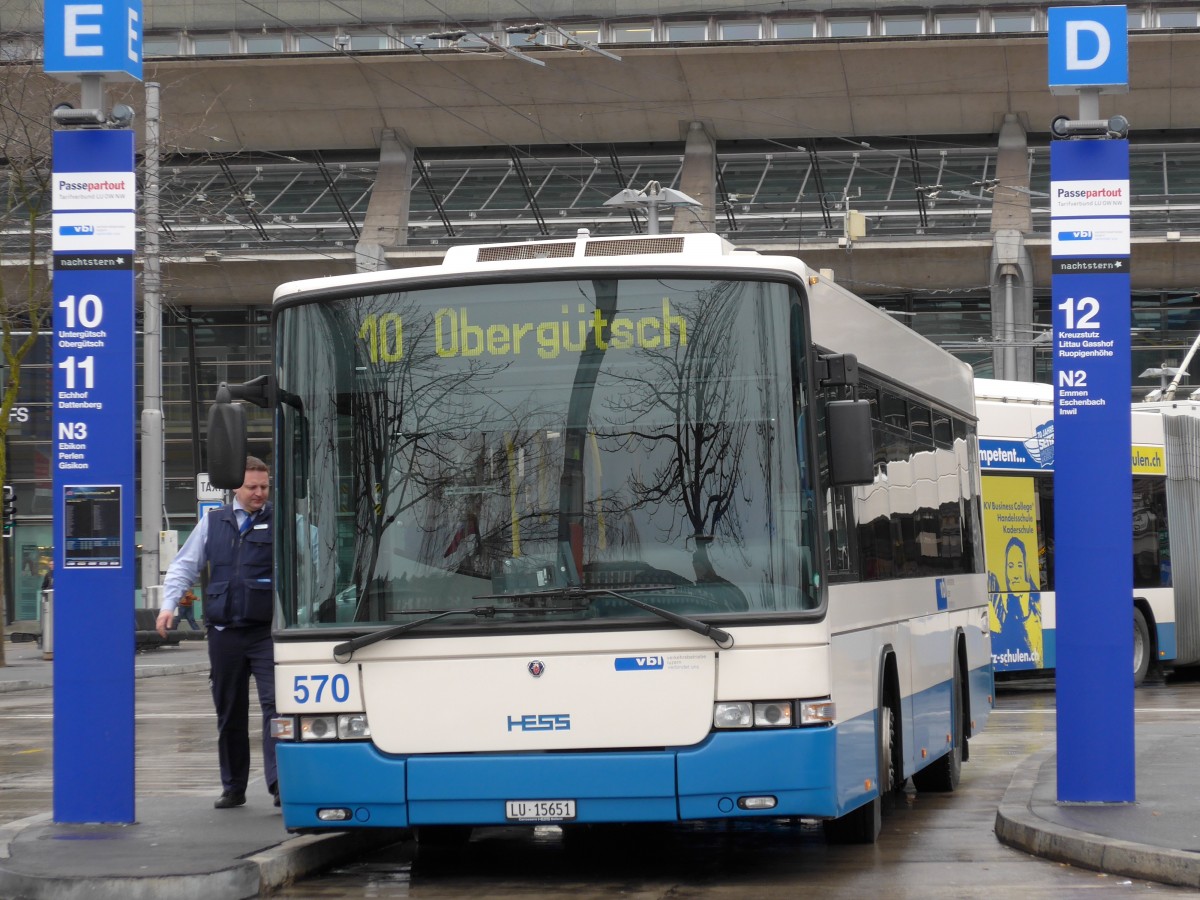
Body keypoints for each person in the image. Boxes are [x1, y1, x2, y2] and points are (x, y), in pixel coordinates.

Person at [156, 456, 279, 809]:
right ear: (235, 488)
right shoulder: (213, 523)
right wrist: (168, 606)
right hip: (225, 633)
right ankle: (234, 786)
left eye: (264, 487)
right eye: (252, 487)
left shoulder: (280, 521)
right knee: (229, 711)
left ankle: (278, 784)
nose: (259, 494)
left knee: (276, 709)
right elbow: (184, 565)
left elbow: (310, 553)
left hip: (266, 633)